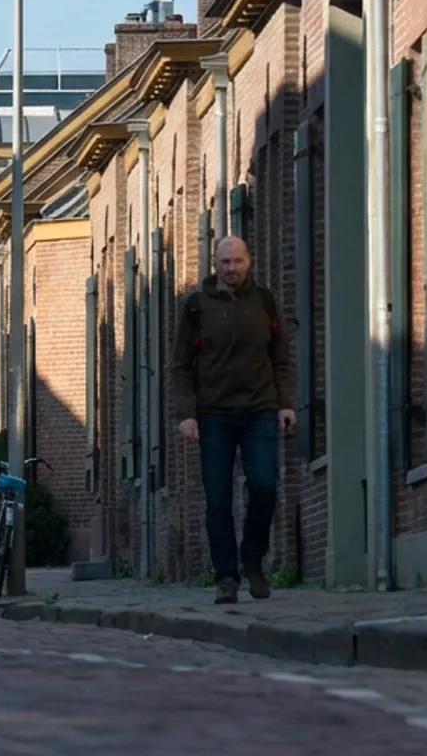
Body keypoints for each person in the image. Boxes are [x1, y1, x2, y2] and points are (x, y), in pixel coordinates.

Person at [170, 235, 296, 605]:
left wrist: (285, 404)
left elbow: (282, 358)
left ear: (249, 262)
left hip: (259, 409)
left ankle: (253, 559)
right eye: (225, 262)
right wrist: (187, 414)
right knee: (218, 499)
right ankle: (226, 576)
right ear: (216, 264)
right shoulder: (197, 306)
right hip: (213, 415)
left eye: (238, 261)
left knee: (264, 486)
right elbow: (180, 365)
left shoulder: (265, 302)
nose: (232, 268)